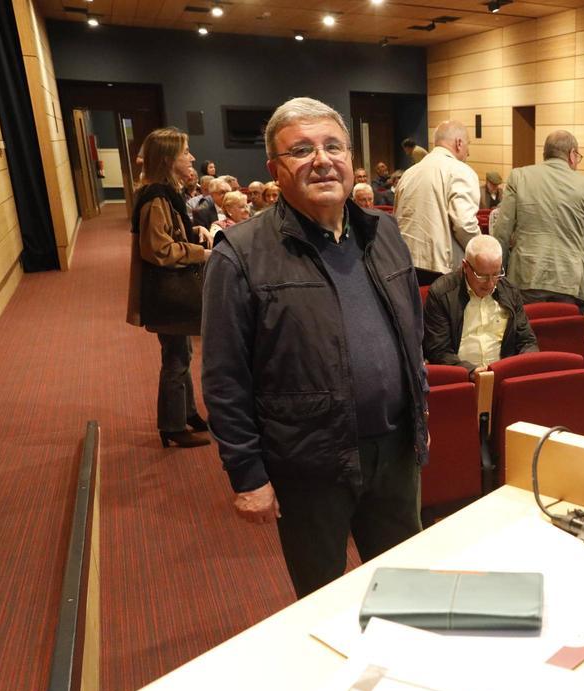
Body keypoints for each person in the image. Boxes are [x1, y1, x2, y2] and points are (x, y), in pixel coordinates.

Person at [202, 97, 428, 599]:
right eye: (301, 150)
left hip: (394, 455)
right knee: (323, 599)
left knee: (404, 589)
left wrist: (419, 412)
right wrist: (247, 473)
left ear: (351, 159)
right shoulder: (240, 255)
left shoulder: (385, 232)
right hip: (310, 464)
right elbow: (224, 378)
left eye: (333, 146)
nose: (322, 160)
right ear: (274, 170)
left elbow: (411, 334)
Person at [127, 127, 211, 449]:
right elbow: (158, 250)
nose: (191, 157)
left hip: (170, 291)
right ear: (167, 159)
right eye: (185, 152)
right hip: (168, 292)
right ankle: (172, 426)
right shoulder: (156, 198)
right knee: (175, 359)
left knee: (182, 353)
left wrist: (193, 231)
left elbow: (168, 234)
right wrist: (200, 253)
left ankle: (186, 413)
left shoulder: (165, 193)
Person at [492, 130, 584, 308]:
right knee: (564, 325)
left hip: (526, 275)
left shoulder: (519, 177)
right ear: (572, 155)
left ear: (546, 154)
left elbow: (502, 231)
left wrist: (498, 275)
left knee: (528, 325)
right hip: (570, 280)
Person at [423, 235, 538, 375]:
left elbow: (527, 341)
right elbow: (438, 350)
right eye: (482, 276)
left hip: (503, 375)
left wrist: (523, 366)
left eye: (496, 274)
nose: (490, 283)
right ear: (465, 266)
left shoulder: (509, 291)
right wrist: (471, 371)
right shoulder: (442, 293)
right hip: (462, 377)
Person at [395, 120, 480, 276]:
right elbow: (464, 225)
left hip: (404, 264)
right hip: (439, 268)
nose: (468, 152)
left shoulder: (408, 174)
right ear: (459, 143)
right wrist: (480, 252)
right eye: (468, 144)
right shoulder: (461, 171)